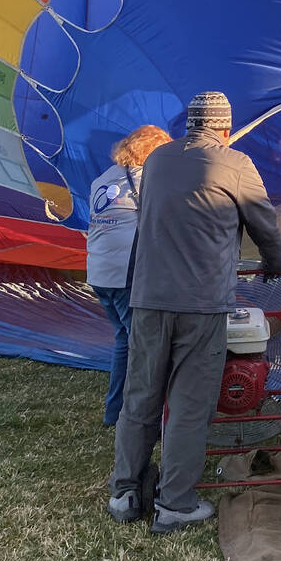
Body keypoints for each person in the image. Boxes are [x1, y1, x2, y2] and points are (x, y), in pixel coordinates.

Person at [108, 91, 281, 534]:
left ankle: (125, 493)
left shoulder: (156, 161)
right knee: (189, 404)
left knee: (141, 394)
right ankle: (175, 505)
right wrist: (275, 266)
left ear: (189, 124)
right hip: (201, 303)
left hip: (148, 297)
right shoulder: (236, 163)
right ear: (224, 128)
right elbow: (264, 225)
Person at [87, 125, 172, 427]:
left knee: (124, 340)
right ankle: (141, 416)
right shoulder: (146, 179)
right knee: (144, 347)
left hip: (99, 273)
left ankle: (115, 413)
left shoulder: (102, 180)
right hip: (126, 275)